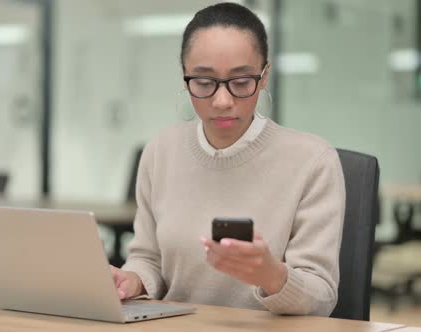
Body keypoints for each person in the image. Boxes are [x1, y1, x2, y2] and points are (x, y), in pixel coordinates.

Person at [110, 2, 346, 316]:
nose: (222, 101)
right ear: (185, 78)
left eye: (241, 82)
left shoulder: (313, 162)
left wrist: (272, 275)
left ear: (264, 77)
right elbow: (148, 259)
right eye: (205, 83)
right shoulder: (161, 151)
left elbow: (321, 296)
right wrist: (132, 280)